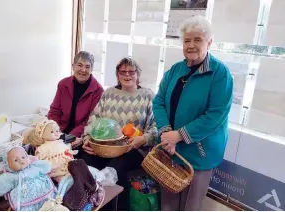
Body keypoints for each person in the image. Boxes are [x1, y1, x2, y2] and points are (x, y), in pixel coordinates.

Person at [153, 16, 233, 211]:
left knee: (191, 205)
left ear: (209, 42)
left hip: (198, 152)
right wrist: (166, 134)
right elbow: (159, 101)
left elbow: (215, 115)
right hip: (170, 148)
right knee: (169, 202)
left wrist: (178, 135)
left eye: (197, 40)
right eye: (187, 40)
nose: (191, 45)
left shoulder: (220, 74)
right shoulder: (175, 70)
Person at [81, 57, 158, 210]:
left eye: (131, 71)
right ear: (117, 75)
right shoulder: (109, 93)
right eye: (123, 71)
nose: (127, 75)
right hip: (105, 147)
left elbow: (155, 127)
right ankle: (89, 205)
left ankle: (116, 208)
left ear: (138, 74)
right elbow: (94, 120)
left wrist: (143, 139)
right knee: (85, 161)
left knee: (115, 168)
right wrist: (87, 138)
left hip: (133, 149)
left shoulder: (148, 96)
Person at [48, 51, 104, 139]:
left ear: (91, 69)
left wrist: (70, 137)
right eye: (80, 65)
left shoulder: (98, 90)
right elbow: (54, 111)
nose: (83, 70)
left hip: (81, 135)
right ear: (73, 66)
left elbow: (91, 120)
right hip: (58, 131)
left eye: (87, 67)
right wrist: (56, 131)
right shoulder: (63, 84)